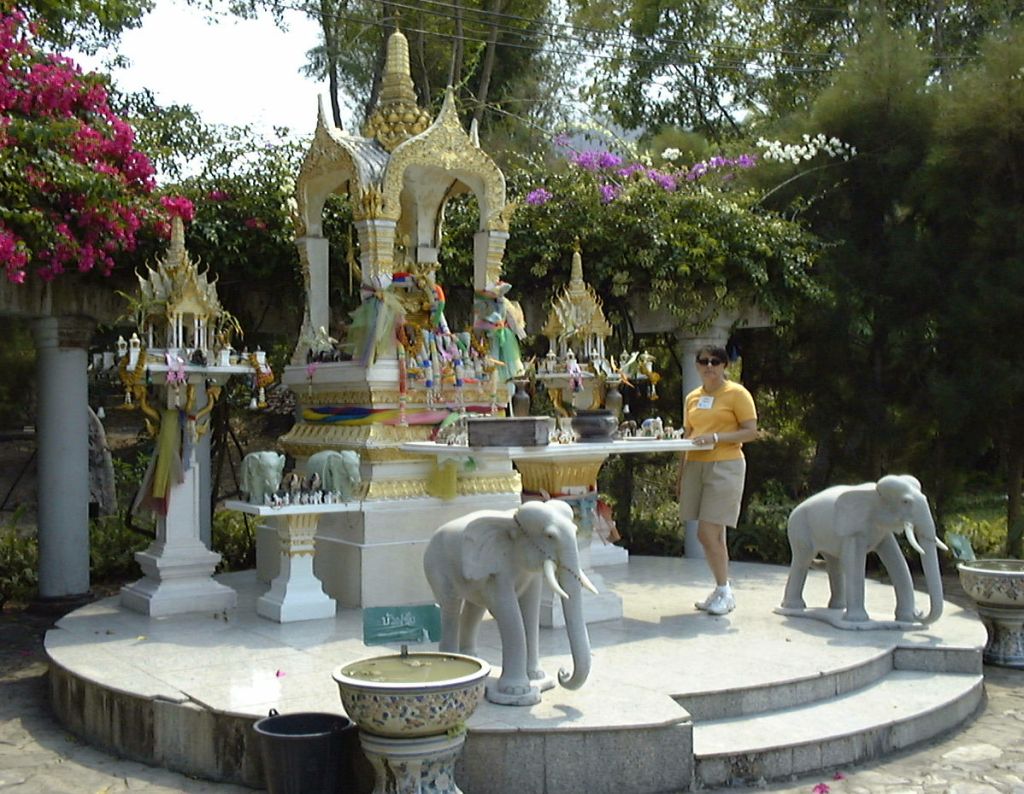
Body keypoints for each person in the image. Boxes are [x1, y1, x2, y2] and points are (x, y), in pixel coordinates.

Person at [677, 344, 758, 615]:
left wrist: (716, 438)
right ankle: (721, 589)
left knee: (707, 532)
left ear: (725, 366)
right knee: (713, 534)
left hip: (726, 465)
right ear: (696, 365)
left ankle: (725, 590)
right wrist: (679, 476)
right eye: (703, 361)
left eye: (715, 361)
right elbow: (688, 435)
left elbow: (750, 432)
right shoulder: (693, 398)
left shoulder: (737, 393)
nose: (709, 366)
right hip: (696, 466)